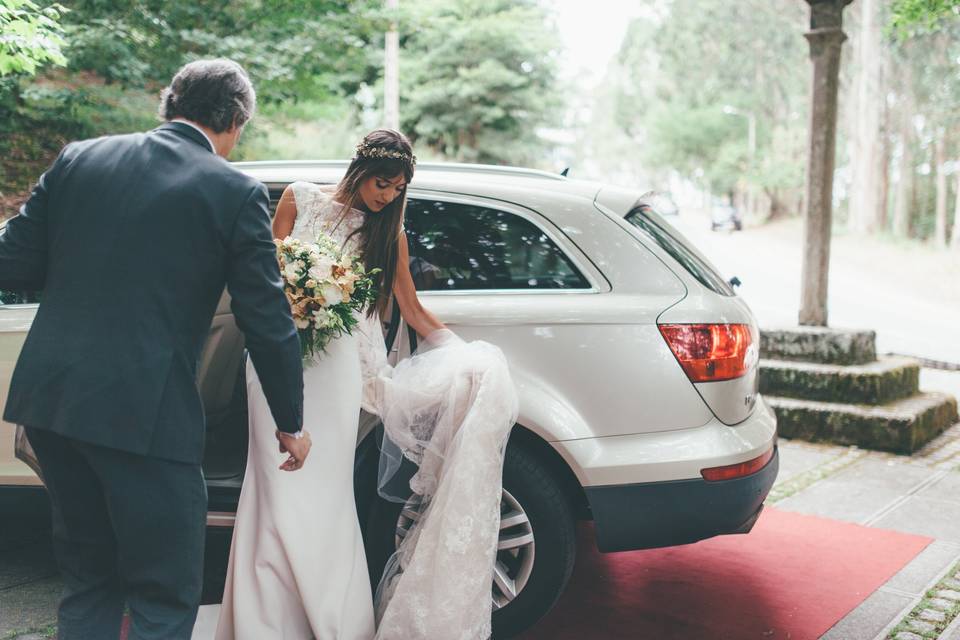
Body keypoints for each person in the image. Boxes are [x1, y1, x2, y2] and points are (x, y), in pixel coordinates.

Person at [0, 59, 311, 640]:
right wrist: (291, 421)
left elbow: (11, 260)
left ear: (169, 103)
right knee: (163, 594)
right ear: (237, 122)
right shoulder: (234, 191)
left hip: (55, 405)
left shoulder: (79, 159)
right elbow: (266, 321)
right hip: (146, 416)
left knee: (88, 581)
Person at [207, 129, 518, 640]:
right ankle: (263, 618)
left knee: (323, 489)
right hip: (273, 361)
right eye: (383, 184)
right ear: (360, 170)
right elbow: (262, 276)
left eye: (398, 190)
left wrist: (464, 354)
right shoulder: (298, 198)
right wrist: (290, 297)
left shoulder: (387, 234)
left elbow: (412, 309)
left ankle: (326, 615)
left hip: (336, 369)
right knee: (270, 481)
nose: (388, 197)